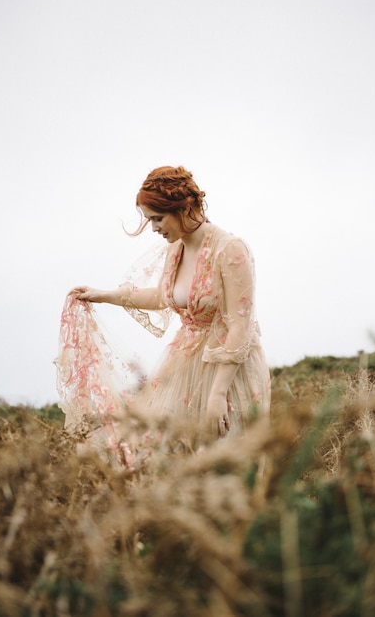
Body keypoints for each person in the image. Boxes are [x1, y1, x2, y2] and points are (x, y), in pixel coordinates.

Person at [67, 165, 270, 449]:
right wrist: (104, 295)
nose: (153, 228)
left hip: (227, 370)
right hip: (185, 364)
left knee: (221, 459)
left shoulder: (231, 249)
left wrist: (217, 394)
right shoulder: (176, 249)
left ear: (183, 208)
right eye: (150, 220)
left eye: (158, 219)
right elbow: (163, 296)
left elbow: (240, 324)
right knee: (171, 455)